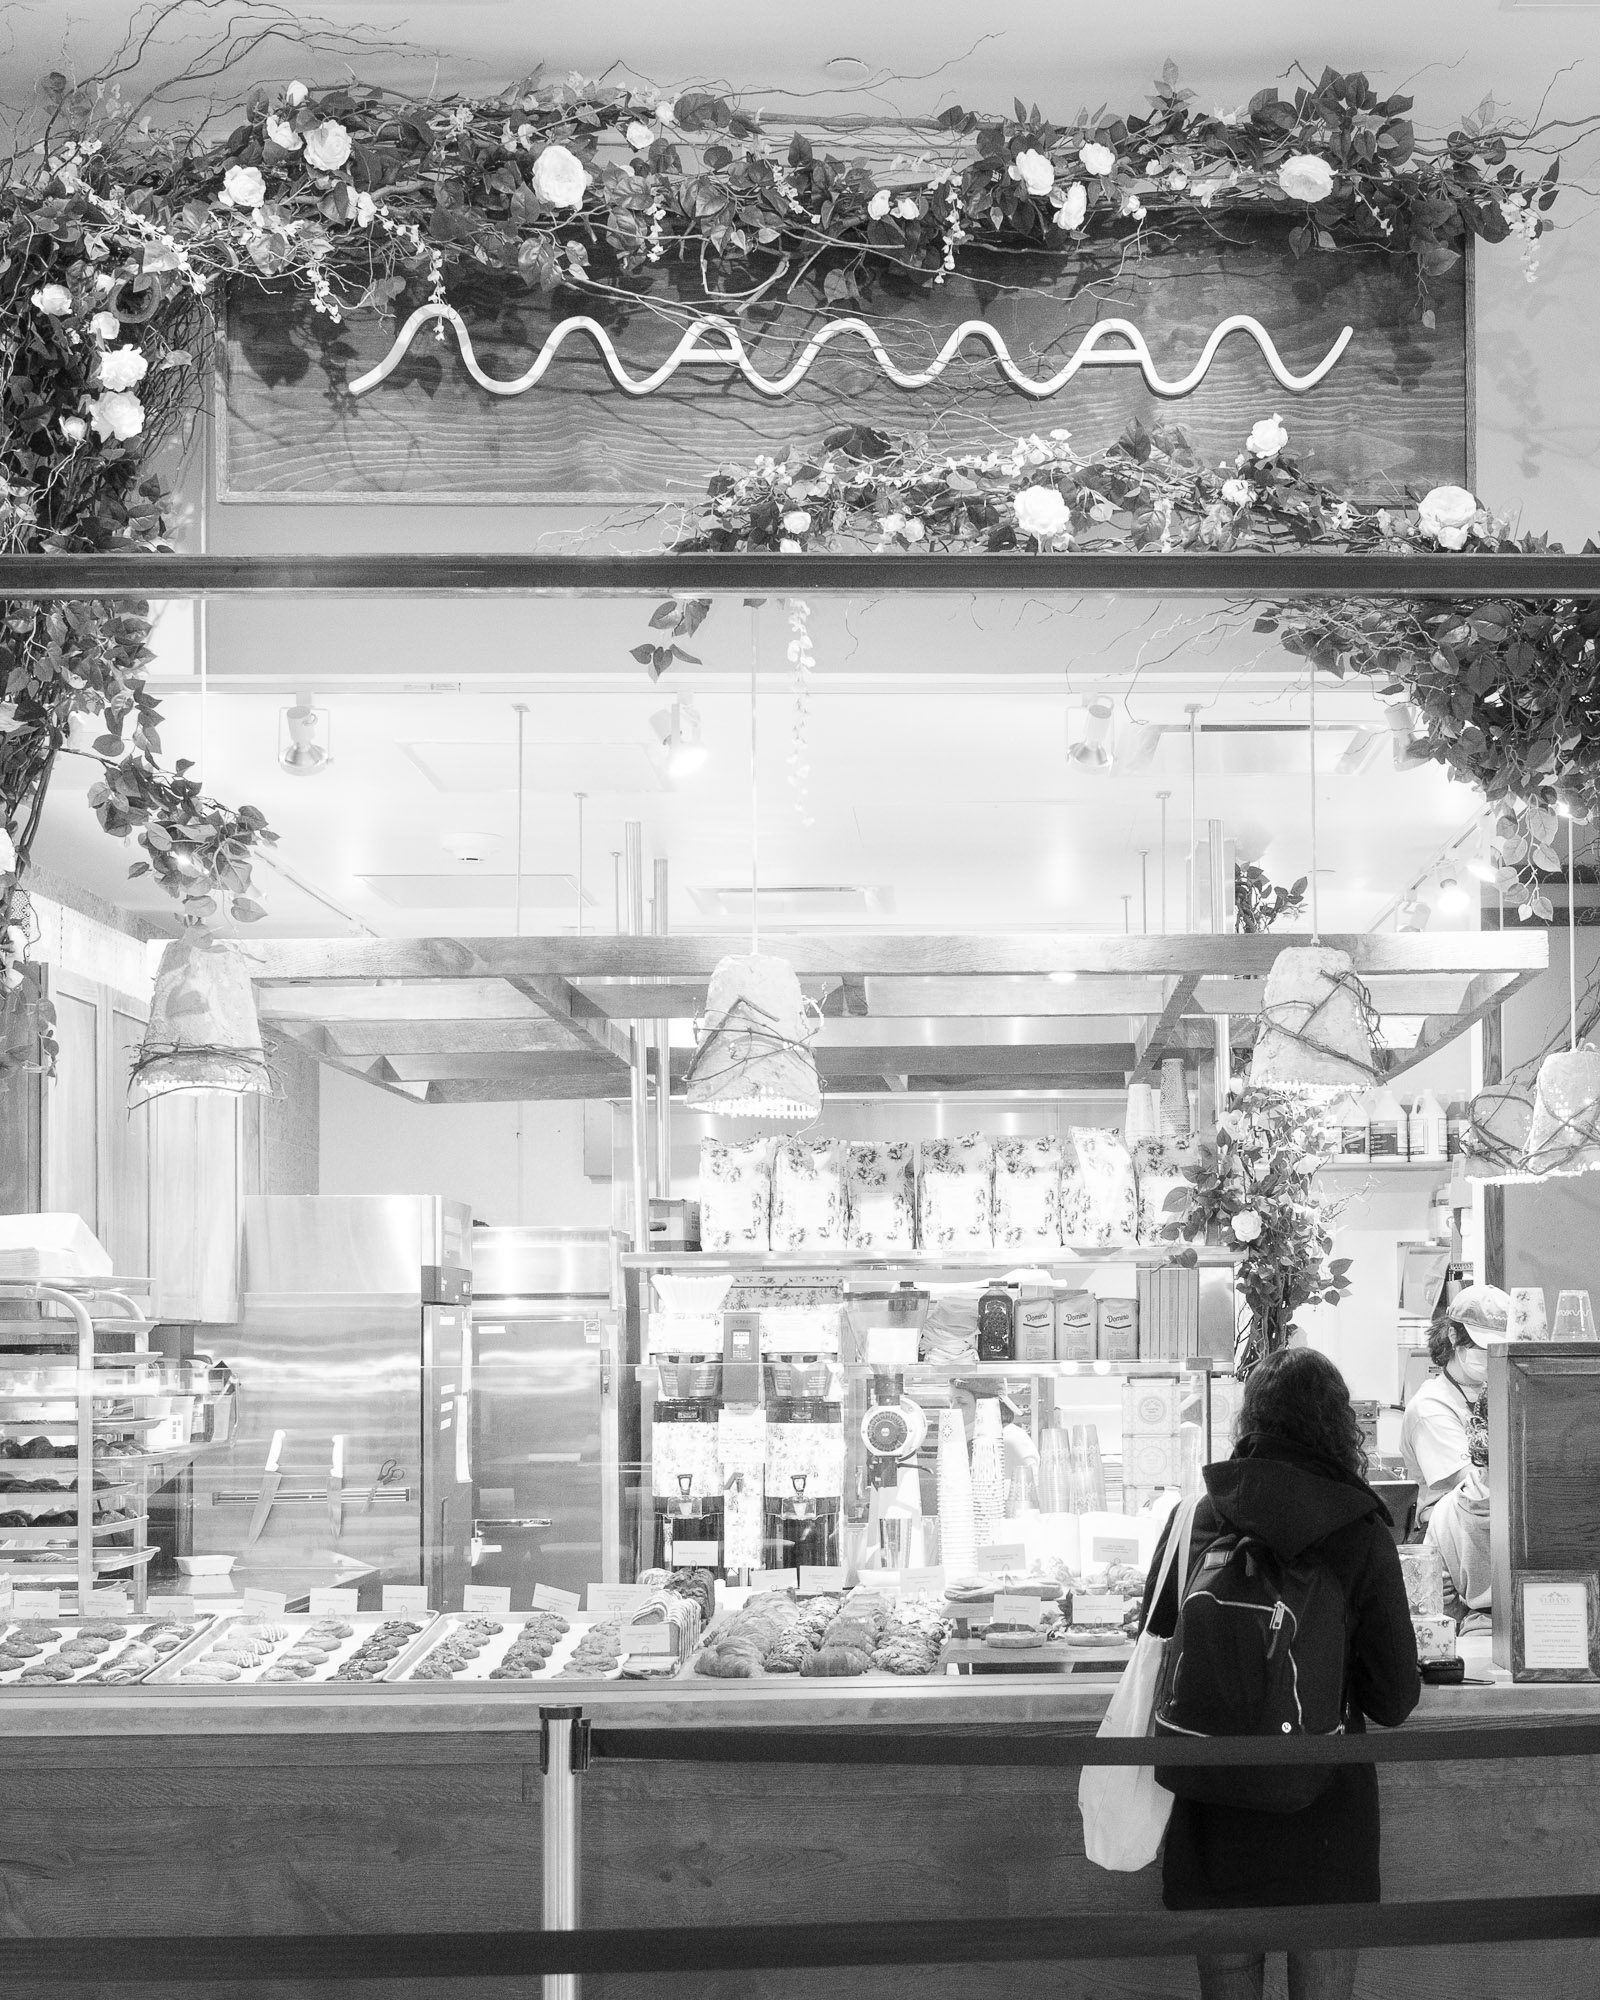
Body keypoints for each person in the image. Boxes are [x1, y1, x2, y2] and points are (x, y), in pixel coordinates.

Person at [1140, 1347, 1420, 2000]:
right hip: (1325, 1819)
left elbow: (1155, 1639)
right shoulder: (1361, 1526)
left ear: (1252, 1419)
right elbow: (1394, 1698)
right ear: (1337, 1423)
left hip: (1213, 1813)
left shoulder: (1197, 1514)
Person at [1400, 1284, 1511, 1525]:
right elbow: (1472, 1484)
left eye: (1500, 1346)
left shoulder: (1498, 1390)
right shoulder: (1431, 1406)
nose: (1492, 1353)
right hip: (1452, 1530)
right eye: (1483, 1346)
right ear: (1453, 1335)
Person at [1424, 1392, 1492, 1633]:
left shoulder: (1445, 1509)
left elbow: (1441, 1600)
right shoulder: (1554, 1501)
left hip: (1477, 1639)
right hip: (1559, 1637)